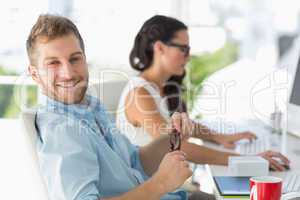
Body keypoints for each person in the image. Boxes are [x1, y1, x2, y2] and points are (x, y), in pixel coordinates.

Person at [27, 14, 207, 200]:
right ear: (34, 74)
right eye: (53, 63)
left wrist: (173, 136)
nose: (68, 73)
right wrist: (161, 183)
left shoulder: (90, 107)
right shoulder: (61, 130)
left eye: (74, 59)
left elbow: (136, 160)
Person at [116, 15, 290, 171]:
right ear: (160, 48)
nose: (188, 57)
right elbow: (175, 145)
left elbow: (181, 127)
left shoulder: (160, 87)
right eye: (183, 49)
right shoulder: (140, 94)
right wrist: (246, 160)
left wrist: (219, 136)